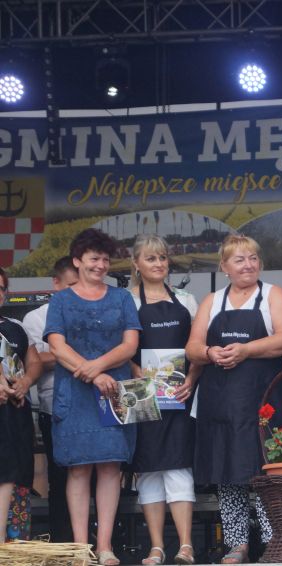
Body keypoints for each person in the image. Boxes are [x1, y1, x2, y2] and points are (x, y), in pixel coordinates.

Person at [186, 234, 282, 565]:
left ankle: (273, 541)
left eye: (253, 258)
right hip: (220, 401)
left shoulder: (273, 294)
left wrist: (246, 350)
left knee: (266, 470)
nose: (248, 265)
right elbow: (192, 348)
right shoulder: (212, 301)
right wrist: (210, 352)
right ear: (224, 266)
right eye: (239, 259)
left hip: (264, 399)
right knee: (226, 470)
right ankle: (237, 544)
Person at [45, 228, 142, 566]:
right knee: (78, 468)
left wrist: (98, 367)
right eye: (93, 259)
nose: (100, 265)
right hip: (75, 392)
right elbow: (56, 346)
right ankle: (80, 548)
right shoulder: (60, 300)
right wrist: (93, 374)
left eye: (105, 260)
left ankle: (105, 546)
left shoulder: (122, 298)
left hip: (114, 390)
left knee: (111, 466)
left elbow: (130, 345)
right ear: (77, 261)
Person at [128, 235, 199, 566]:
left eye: (162, 258)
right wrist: (137, 373)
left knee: (179, 466)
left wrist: (191, 379)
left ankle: (186, 546)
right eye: (151, 258)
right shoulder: (127, 301)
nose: (158, 264)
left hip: (179, 393)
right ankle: (156, 547)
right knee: (149, 469)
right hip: (142, 393)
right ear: (136, 264)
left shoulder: (186, 299)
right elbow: (123, 347)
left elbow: (198, 346)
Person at [22, 256, 78, 543]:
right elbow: (34, 360)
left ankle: (98, 541)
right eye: (71, 285)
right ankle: (62, 542)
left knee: (98, 476)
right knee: (59, 477)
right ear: (56, 283)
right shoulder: (35, 318)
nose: (77, 291)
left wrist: (59, 355)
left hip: (93, 404)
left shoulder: (93, 310)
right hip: (54, 406)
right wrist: (75, 355)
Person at [0, 267, 44, 542]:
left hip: (16, 415)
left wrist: (26, 381)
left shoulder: (15, 326)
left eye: (0, 288)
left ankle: (15, 545)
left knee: (19, 475)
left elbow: (35, 361)